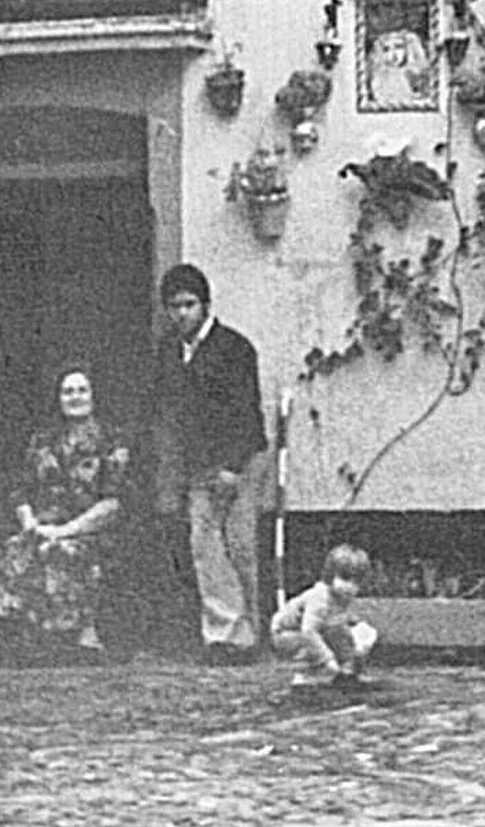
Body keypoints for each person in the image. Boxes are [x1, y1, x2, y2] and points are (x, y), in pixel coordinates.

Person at [152, 264, 267, 661]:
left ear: (205, 305)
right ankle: (226, 634)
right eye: (173, 306)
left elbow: (247, 413)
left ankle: (252, 631)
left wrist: (233, 467)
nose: (181, 313)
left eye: (188, 304)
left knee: (239, 543)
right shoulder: (169, 351)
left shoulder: (234, 349)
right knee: (205, 547)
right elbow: (171, 412)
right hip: (198, 465)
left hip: (239, 460)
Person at [0, 368, 131, 661]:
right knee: (18, 546)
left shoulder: (111, 439)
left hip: (90, 528)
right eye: (68, 391)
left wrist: (64, 530)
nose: (75, 397)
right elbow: (20, 490)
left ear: (93, 395)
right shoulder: (43, 439)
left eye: (82, 390)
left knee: (62, 549)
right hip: (43, 525)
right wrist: (29, 522)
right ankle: (32, 636)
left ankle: (82, 636)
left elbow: (113, 503)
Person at [269, 543, 381, 691]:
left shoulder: (343, 597)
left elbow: (342, 624)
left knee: (349, 632)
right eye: (345, 578)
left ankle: (345, 672)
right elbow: (309, 631)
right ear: (330, 575)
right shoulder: (320, 597)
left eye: (356, 582)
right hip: (286, 633)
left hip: (311, 632)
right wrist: (327, 659)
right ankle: (305, 676)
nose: (350, 586)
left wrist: (357, 644)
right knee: (325, 636)